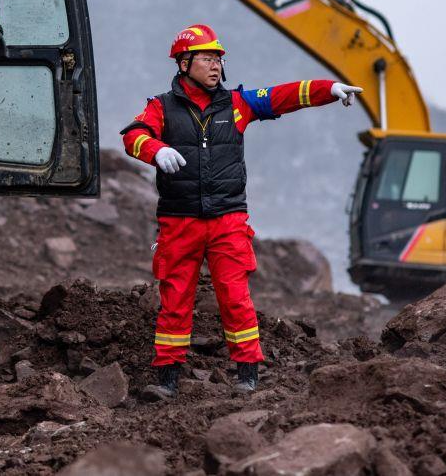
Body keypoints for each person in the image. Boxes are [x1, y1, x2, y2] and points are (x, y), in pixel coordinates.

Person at [120, 24, 362, 399]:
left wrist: (327, 89)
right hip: (179, 220)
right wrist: (156, 149)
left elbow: (282, 96)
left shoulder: (237, 104)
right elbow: (133, 136)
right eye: (206, 58)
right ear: (184, 64)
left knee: (236, 298)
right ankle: (167, 378)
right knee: (175, 300)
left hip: (228, 220)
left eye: (218, 58)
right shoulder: (161, 107)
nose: (215, 65)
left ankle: (247, 374)